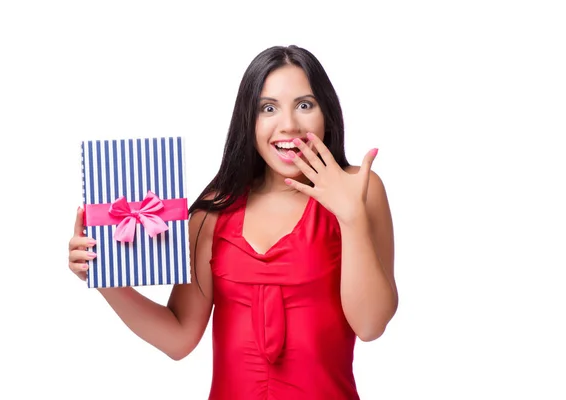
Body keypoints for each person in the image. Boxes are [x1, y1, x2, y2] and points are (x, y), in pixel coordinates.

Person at [68, 45, 397, 400]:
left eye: (305, 105)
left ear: (327, 113)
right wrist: (103, 278)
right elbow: (179, 339)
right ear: (248, 120)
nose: (288, 124)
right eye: (268, 108)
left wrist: (351, 217)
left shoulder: (359, 189)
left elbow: (370, 325)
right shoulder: (214, 209)